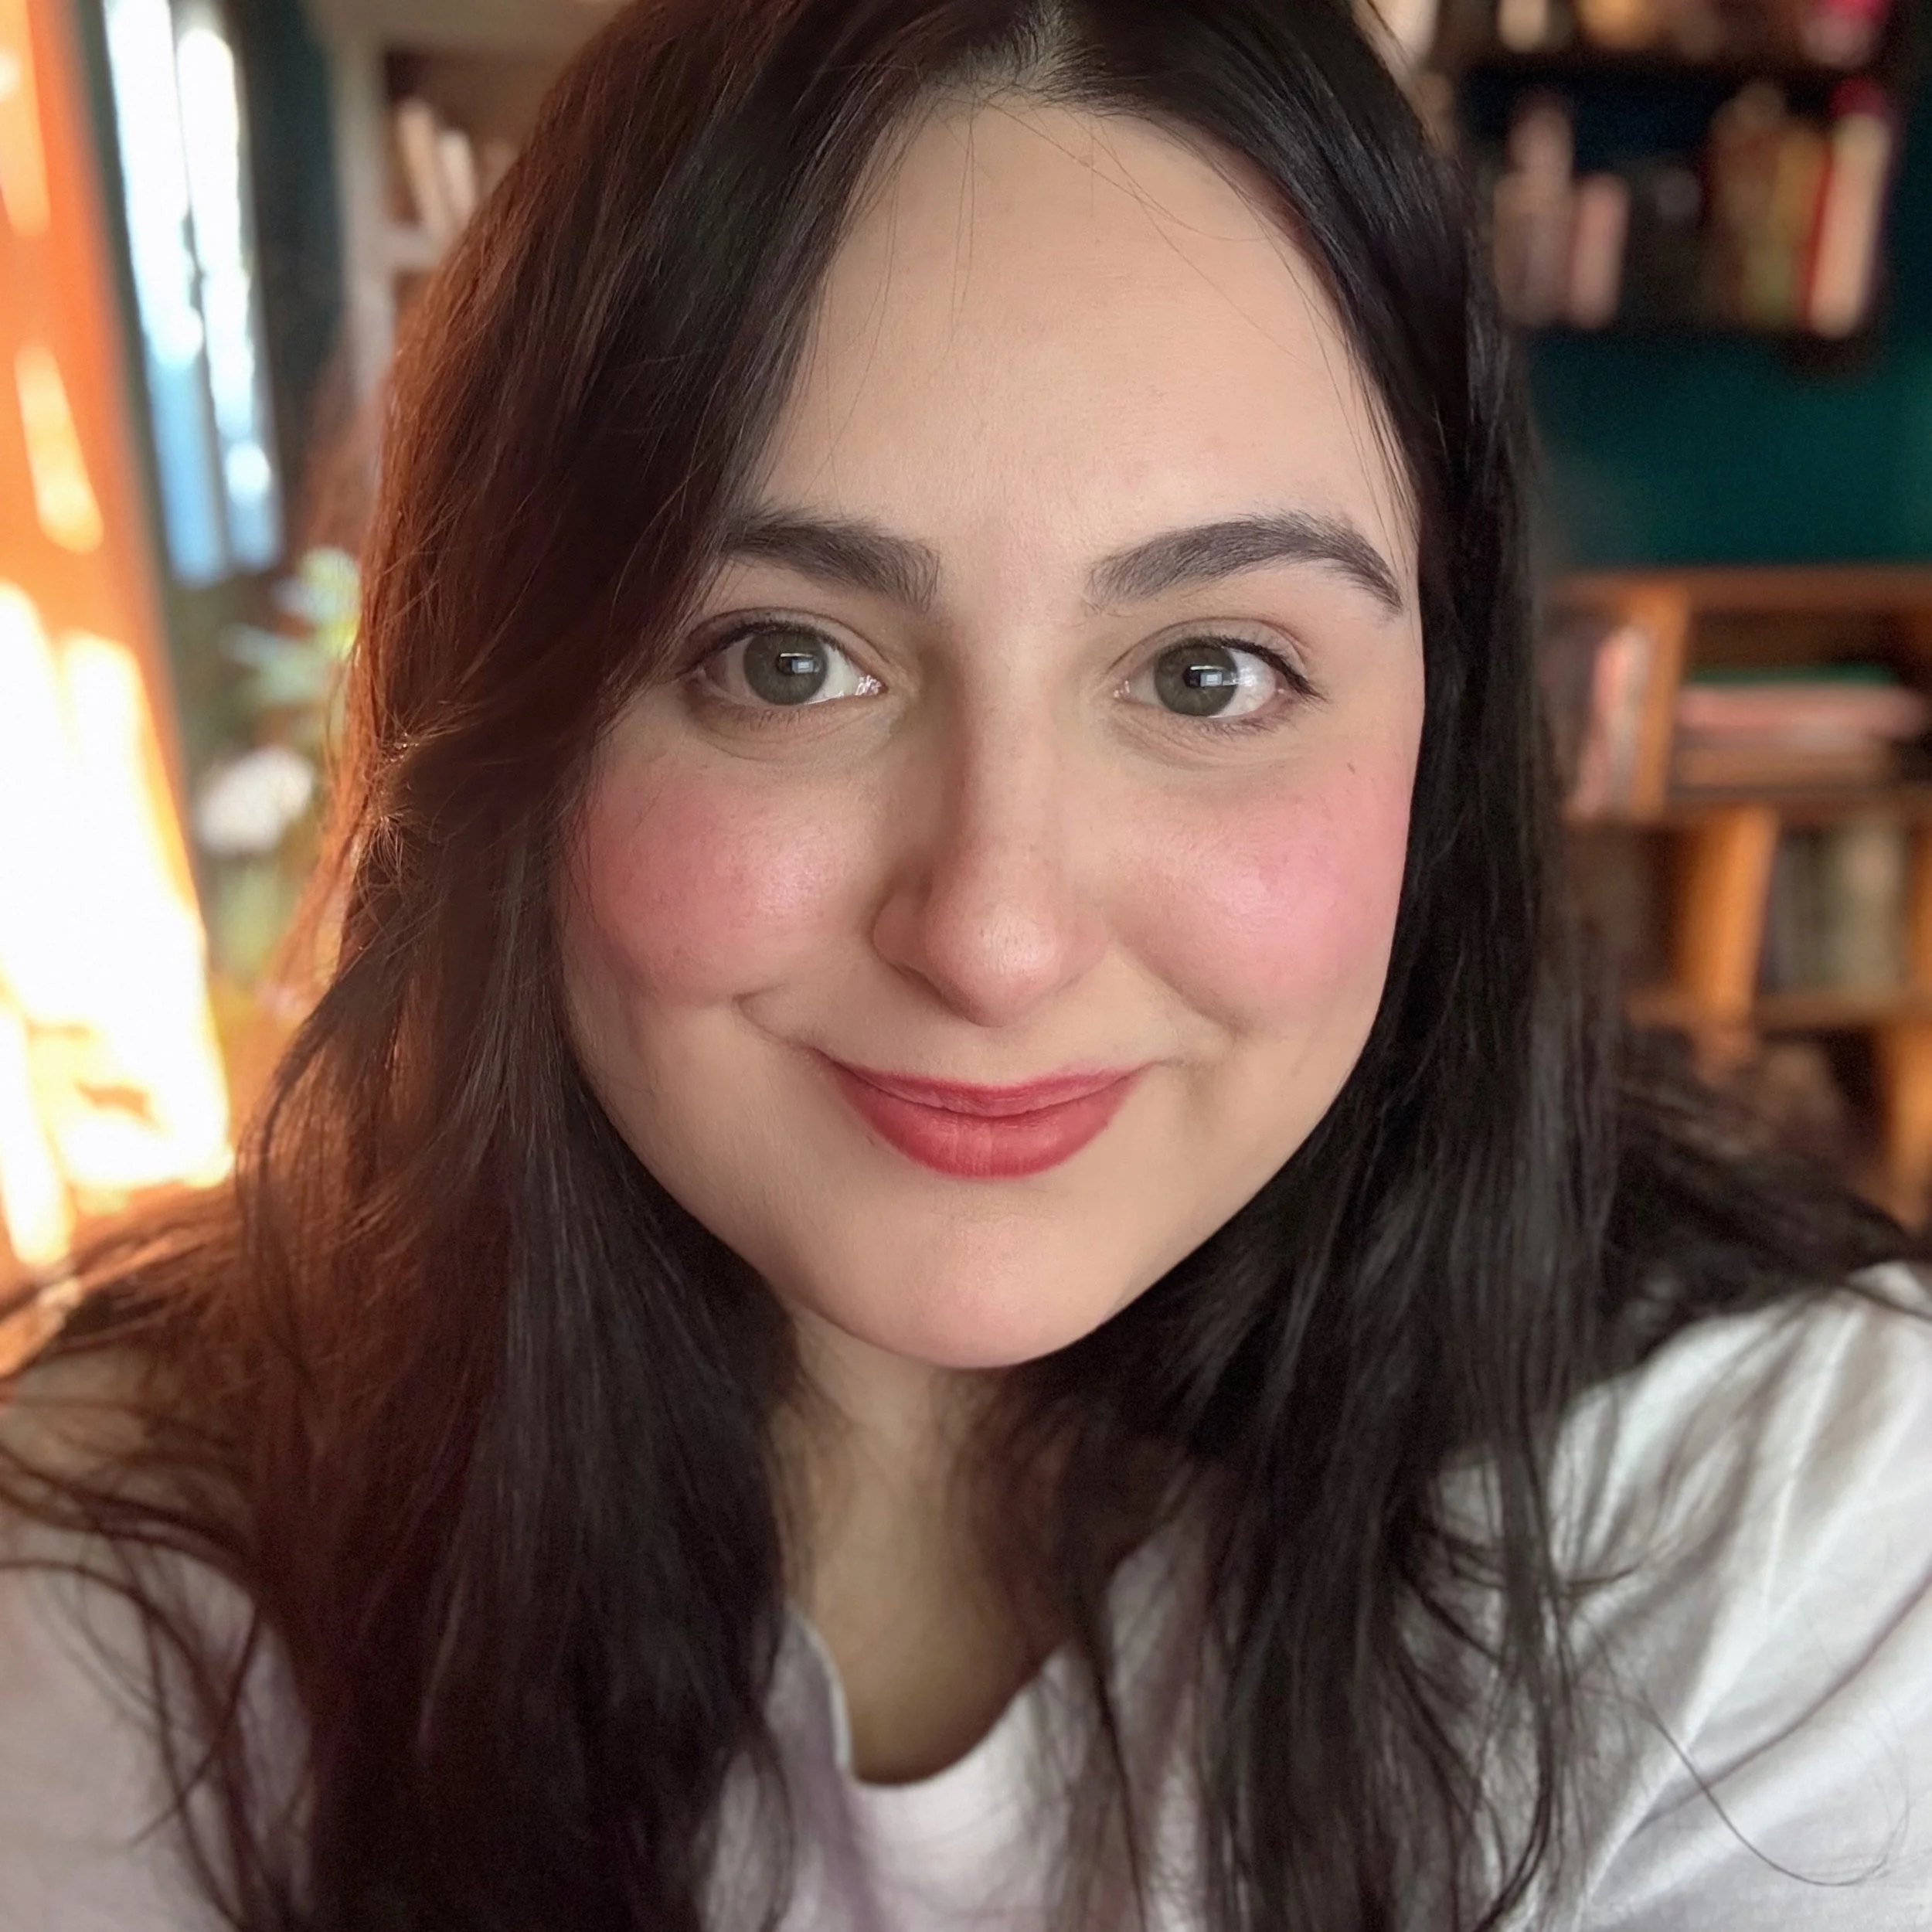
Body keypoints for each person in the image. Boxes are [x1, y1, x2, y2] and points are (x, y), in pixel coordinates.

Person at [2, 1, 1929, 1927]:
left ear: (1440, 734)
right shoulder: (112, 1592)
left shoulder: (1792, 1528)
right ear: (508, 718)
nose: (993, 936)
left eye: (1207, 672)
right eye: (781, 658)